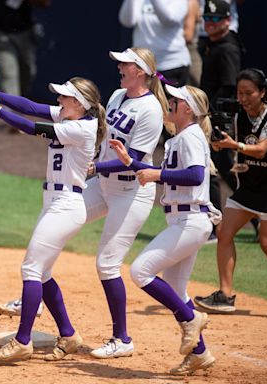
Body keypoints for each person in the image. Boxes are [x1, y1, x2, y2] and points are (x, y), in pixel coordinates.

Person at [0, 76, 106, 362]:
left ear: (79, 103)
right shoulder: (70, 114)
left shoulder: (82, 127)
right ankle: (69, 335)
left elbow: (32, 126)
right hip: (53, 202)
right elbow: (32, 107)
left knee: (31, 269)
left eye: (63, 97)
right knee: (42, 272)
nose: (58, 100)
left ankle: (23, 341)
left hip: (67, 205)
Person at [108, 84, 218, 375]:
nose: (169, 102)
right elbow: (172, 175)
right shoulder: (179, 138)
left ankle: (190, 319)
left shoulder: (192, 135)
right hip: (181, 220)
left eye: (175, 100)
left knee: (140, 271)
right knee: (176, 289)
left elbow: (195, 175)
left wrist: (156, 173)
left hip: (192, 221)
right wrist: (131, 162)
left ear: (188, 109)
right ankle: (200, 353)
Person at [86, 47, 168, 359]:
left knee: (107, 263)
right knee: (60, 218)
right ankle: (35, 295)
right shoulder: (118, 96)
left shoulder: (150, 111)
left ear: (141, 71)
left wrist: (95, 167)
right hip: (103, 185)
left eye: (126, 64)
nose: (119, 67)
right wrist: (91, 159)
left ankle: (122, 338)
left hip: (131, 194)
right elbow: (105, 140)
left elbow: (132, 162)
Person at [195, 68, 267, 313]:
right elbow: (230, 147)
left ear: (263, 93)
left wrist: (232, 145)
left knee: (266, 243)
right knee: (224, 232)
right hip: (248, 188)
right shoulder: (239, 117)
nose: (244, 98)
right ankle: (225, 295)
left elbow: (260, 150)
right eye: (240, 93)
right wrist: (218, 144)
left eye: (249, 93)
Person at [199, 0, 244, 235]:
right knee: (221, 170)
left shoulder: (227, 48)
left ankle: (218, 227)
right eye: (207, 18)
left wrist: (214, 120)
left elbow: (228, 88)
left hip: (218, 120)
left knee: (221, 170)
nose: (210, 23)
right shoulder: (212, 44)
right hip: (210, 116)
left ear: (227, 20)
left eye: (216, 19)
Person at [0, 0, 50, 97]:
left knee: (27, 72)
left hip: (24, 32)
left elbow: (44, 3)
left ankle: (15, 104)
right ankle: (11, 108)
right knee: (8, 74)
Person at [119, 0, 191, 86]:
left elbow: (168, 20)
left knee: (167, 99)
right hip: (143, 66)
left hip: (171, 65)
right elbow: (127, 22)